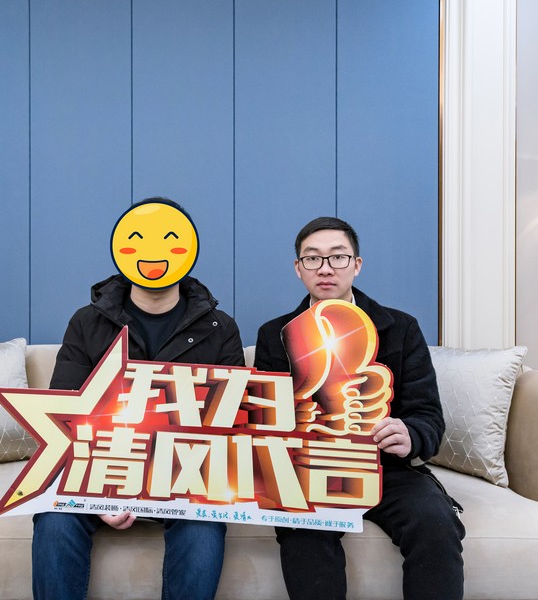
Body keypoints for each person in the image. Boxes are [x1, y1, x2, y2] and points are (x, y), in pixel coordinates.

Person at [31, 197, 246, 600]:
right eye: (139, 239)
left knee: (203, 527)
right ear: (121, 250)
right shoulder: (87, 322)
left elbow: (232, 424)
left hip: (186, 472)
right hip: (103, 464)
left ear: (187, 251)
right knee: (54, 519)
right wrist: (97, 493)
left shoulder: (221, 328)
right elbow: (64, 413)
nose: (153, 252)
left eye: (168, 239)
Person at [254, 216, 465, 600]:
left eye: (338, 257)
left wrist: (410, 434)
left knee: (435, 524)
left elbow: (428, 415)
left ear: (357, 264)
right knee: (301, 530)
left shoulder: (400, 328)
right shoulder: (275, 335)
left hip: (387, 469)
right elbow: (264, 419)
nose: (326, 268)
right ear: (298, 268)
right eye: (313, 259)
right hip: (310, 471)